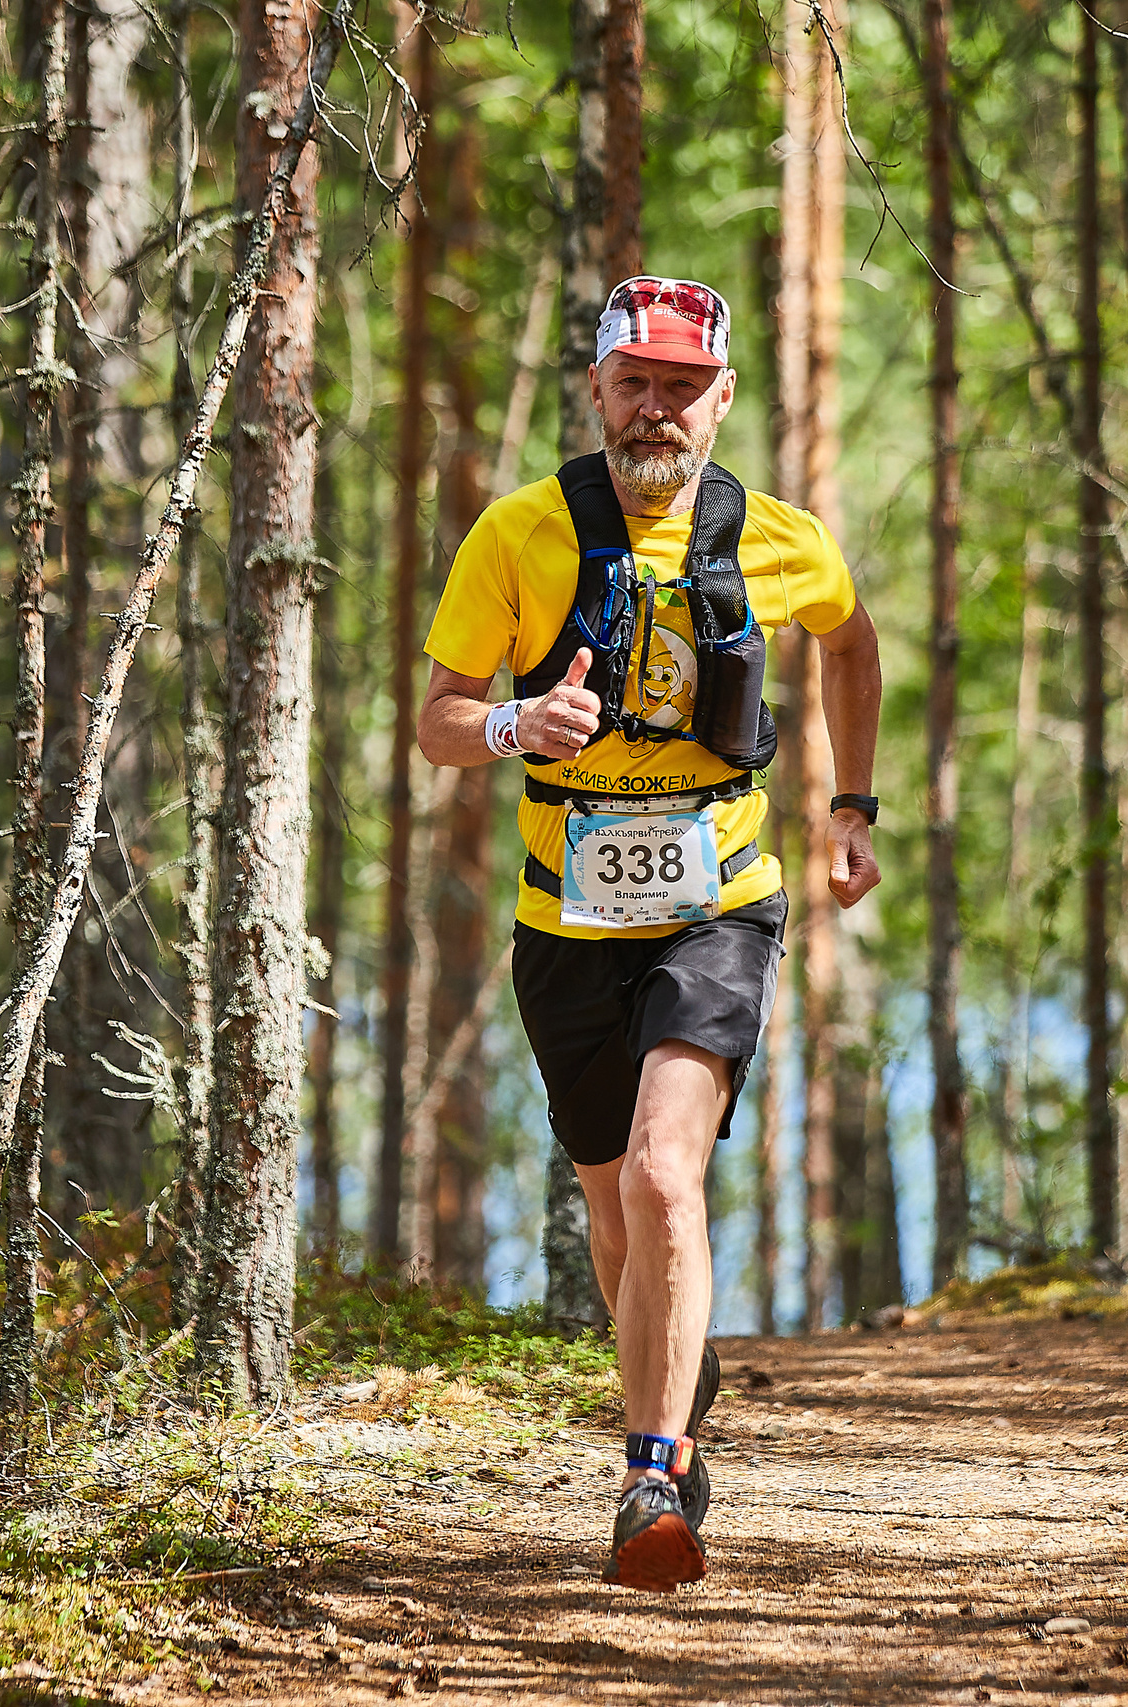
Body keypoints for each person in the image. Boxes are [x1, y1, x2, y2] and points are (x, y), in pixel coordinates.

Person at [417, 275, 884, 1592]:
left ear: (722, 399)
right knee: (616, 1212)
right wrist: (514, 725)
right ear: (598, 390)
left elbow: (852, 649)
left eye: (684, 388)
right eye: (637, 383)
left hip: (718, 902)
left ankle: (652, 1477)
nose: (657, 410)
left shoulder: (778, 538)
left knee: (664, 1178)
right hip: (565, 917)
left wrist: (852, 807)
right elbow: (439, 720)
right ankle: (677, 1365)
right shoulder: (519, 534)